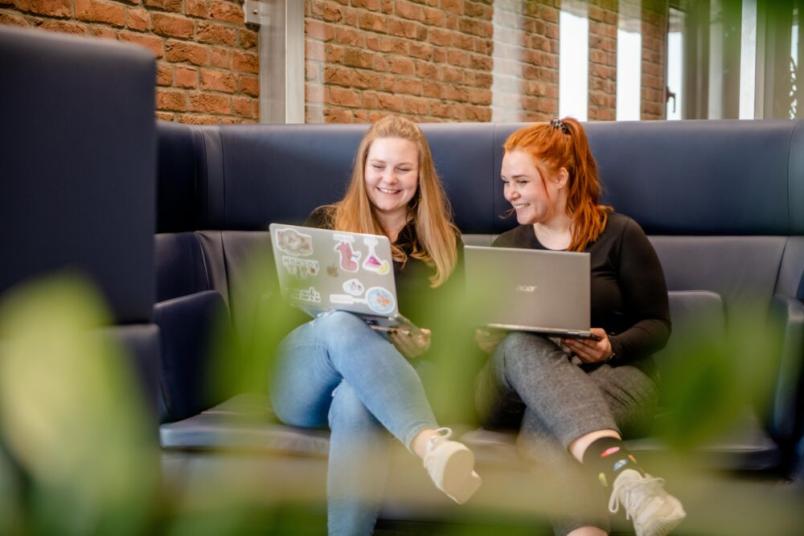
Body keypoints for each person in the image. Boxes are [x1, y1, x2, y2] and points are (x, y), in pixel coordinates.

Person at [270, 115, 481, 536]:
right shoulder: (327, 223)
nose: (389, 179)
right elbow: (292, 310)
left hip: (385, 383)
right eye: (379, 166)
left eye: (403, 168)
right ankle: (429, 444)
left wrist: (426, 343)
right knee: (343, 323)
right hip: (306, 374)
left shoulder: (444, 241)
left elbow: (460, 343)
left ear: (421, 176)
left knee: (354, 398)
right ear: (362, 168)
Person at [475, 118, 686, 536]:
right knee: (518, 345)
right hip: (512, 385)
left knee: (547, 427)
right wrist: (484, 336)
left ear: (560, 178)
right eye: (505, 181)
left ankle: (604, 513)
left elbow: (658, 325)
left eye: (521, 181)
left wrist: (613, 347)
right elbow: (486, 341)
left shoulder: (621, 234)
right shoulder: (507, 247)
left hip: (612, 376)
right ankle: (624, 472)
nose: (509, 193)